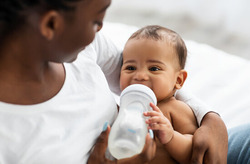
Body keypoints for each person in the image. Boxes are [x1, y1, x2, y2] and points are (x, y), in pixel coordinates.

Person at [0, 0, 245, 163]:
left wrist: (210, 119)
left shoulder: (84, 49)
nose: (100, 30)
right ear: (51, 24)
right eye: (96, 22)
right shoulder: (10, 133)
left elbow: (150, 81)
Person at [119, 25, 198, 163]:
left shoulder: (176, 109)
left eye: (154, 68)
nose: (140, 76)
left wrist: (171, 137)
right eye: (130, 68)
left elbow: (195, 153)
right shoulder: (123, 110)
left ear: (178, 80)